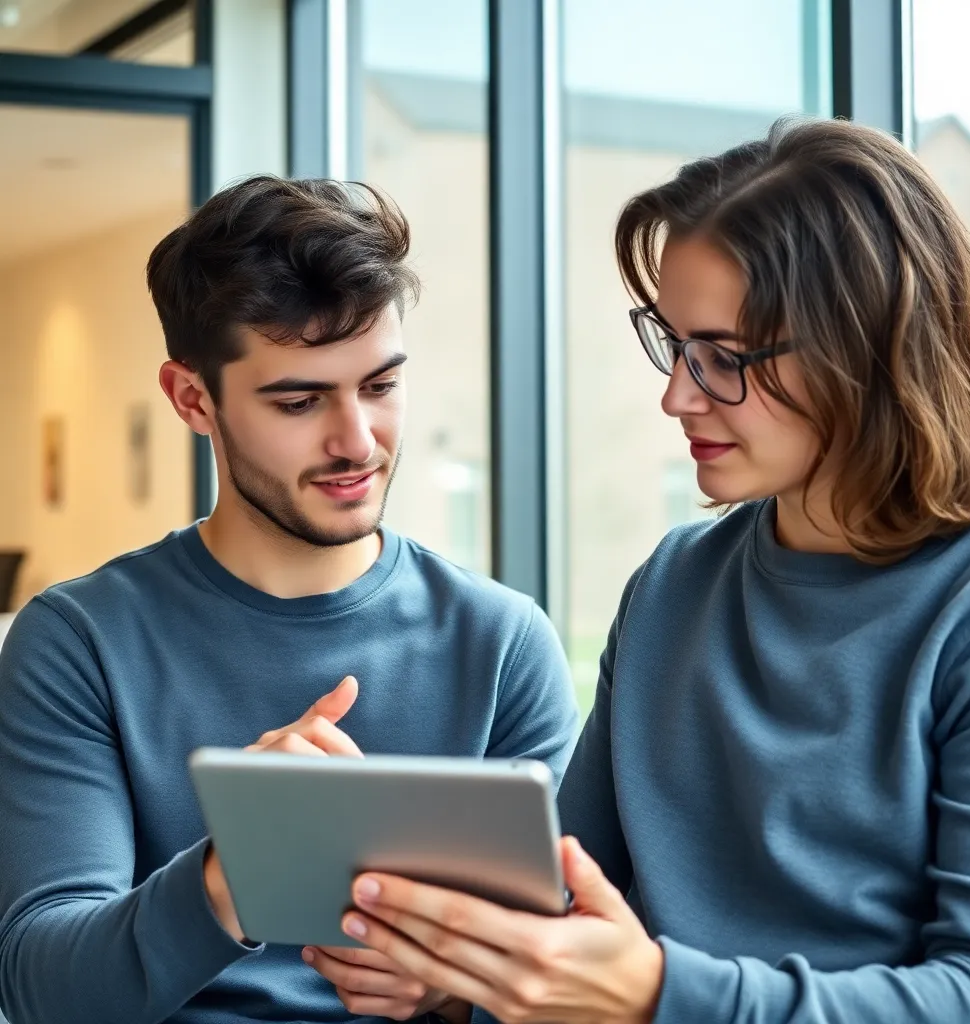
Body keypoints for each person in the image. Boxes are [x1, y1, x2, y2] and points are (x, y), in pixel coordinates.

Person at [328, 116, 970, 1023]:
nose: (677, 395)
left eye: (725, 359)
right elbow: (570, 904)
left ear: (868, 348)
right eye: (675, 345)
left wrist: (657, 995)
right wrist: (460, 977)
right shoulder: (673, 585)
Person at [0, 176, 577, 1024]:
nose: (356, 441)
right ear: (193, 398)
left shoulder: (501, 641)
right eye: (300, 401)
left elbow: (567, 971)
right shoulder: (79, 640)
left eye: (380, 387)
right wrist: (237, 865)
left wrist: (452, 989)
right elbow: (46, 990)